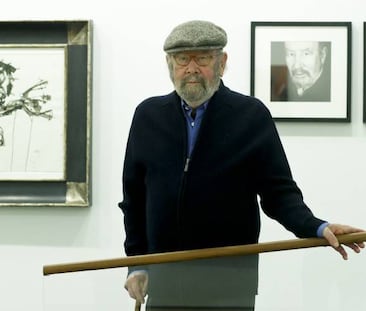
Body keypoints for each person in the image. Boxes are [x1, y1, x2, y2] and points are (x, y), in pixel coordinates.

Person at [119, 20, 364, 310]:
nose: (192, 69)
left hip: (230, 283)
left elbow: (279, 194)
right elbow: (134, 200)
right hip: (165, 279)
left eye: (204, 58)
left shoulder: (251, 116)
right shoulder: (147, 116)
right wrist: (137, 264)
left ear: (222, 62)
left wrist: (316, 227)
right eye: (182, 59)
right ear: (170, 64)